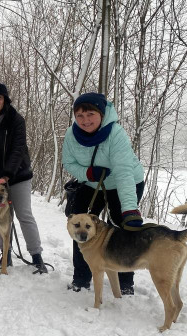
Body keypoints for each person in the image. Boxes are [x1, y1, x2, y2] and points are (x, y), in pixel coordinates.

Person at [62, 92, 145, 294]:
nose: (85, 120)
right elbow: (69, 163)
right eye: (79, 116)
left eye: (90, 114)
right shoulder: (71, 135)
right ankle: (81, 278)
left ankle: (125, 282)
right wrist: (88, 173)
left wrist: (130, 210)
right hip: (92, 183)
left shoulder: (115, 134)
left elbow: (124, 173)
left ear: (101, 114)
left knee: (123, 229)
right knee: (80, 225)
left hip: (124, 182)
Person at [0, 83, 47, 274]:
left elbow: (18, 149)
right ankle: (5, 256)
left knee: (24, 214)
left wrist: (7, 174)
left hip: (19, 174)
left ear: (5, 100)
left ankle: (37, 257)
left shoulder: (16, 120)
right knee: (0, 215)